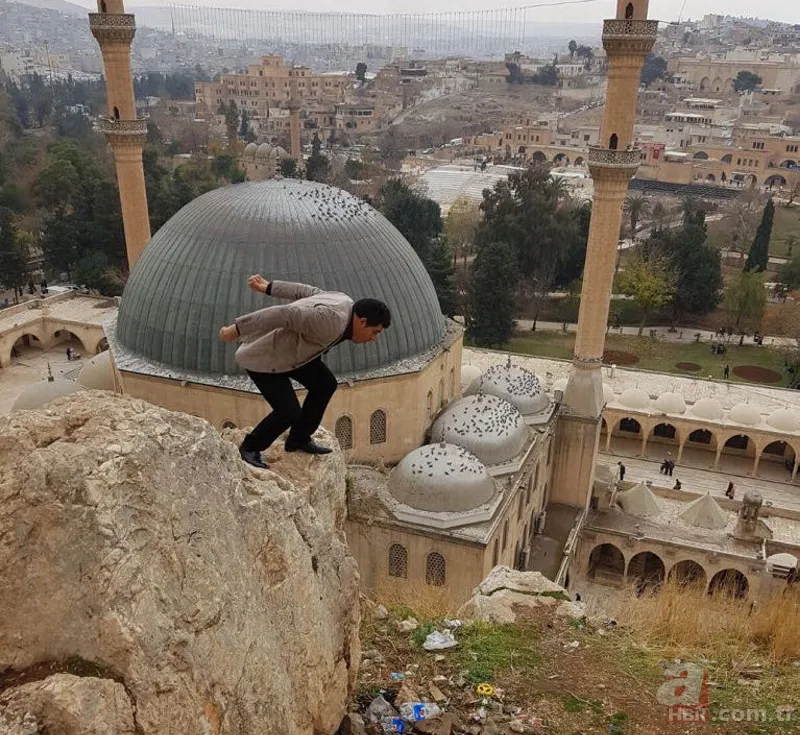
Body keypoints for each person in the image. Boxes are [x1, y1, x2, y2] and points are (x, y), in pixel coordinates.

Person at [219, 275, 391, 469]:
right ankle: (250, 447)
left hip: (295, 354)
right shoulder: (331, 323)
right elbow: (283, 314)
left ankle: (298, 439)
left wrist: (269, 287)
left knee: (325, 384)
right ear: (362, 321)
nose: (373, 339)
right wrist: (235, 330)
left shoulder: (344, 301)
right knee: (288, 412)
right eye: (375, 332)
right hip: (266, 359)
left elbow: (306, 292)